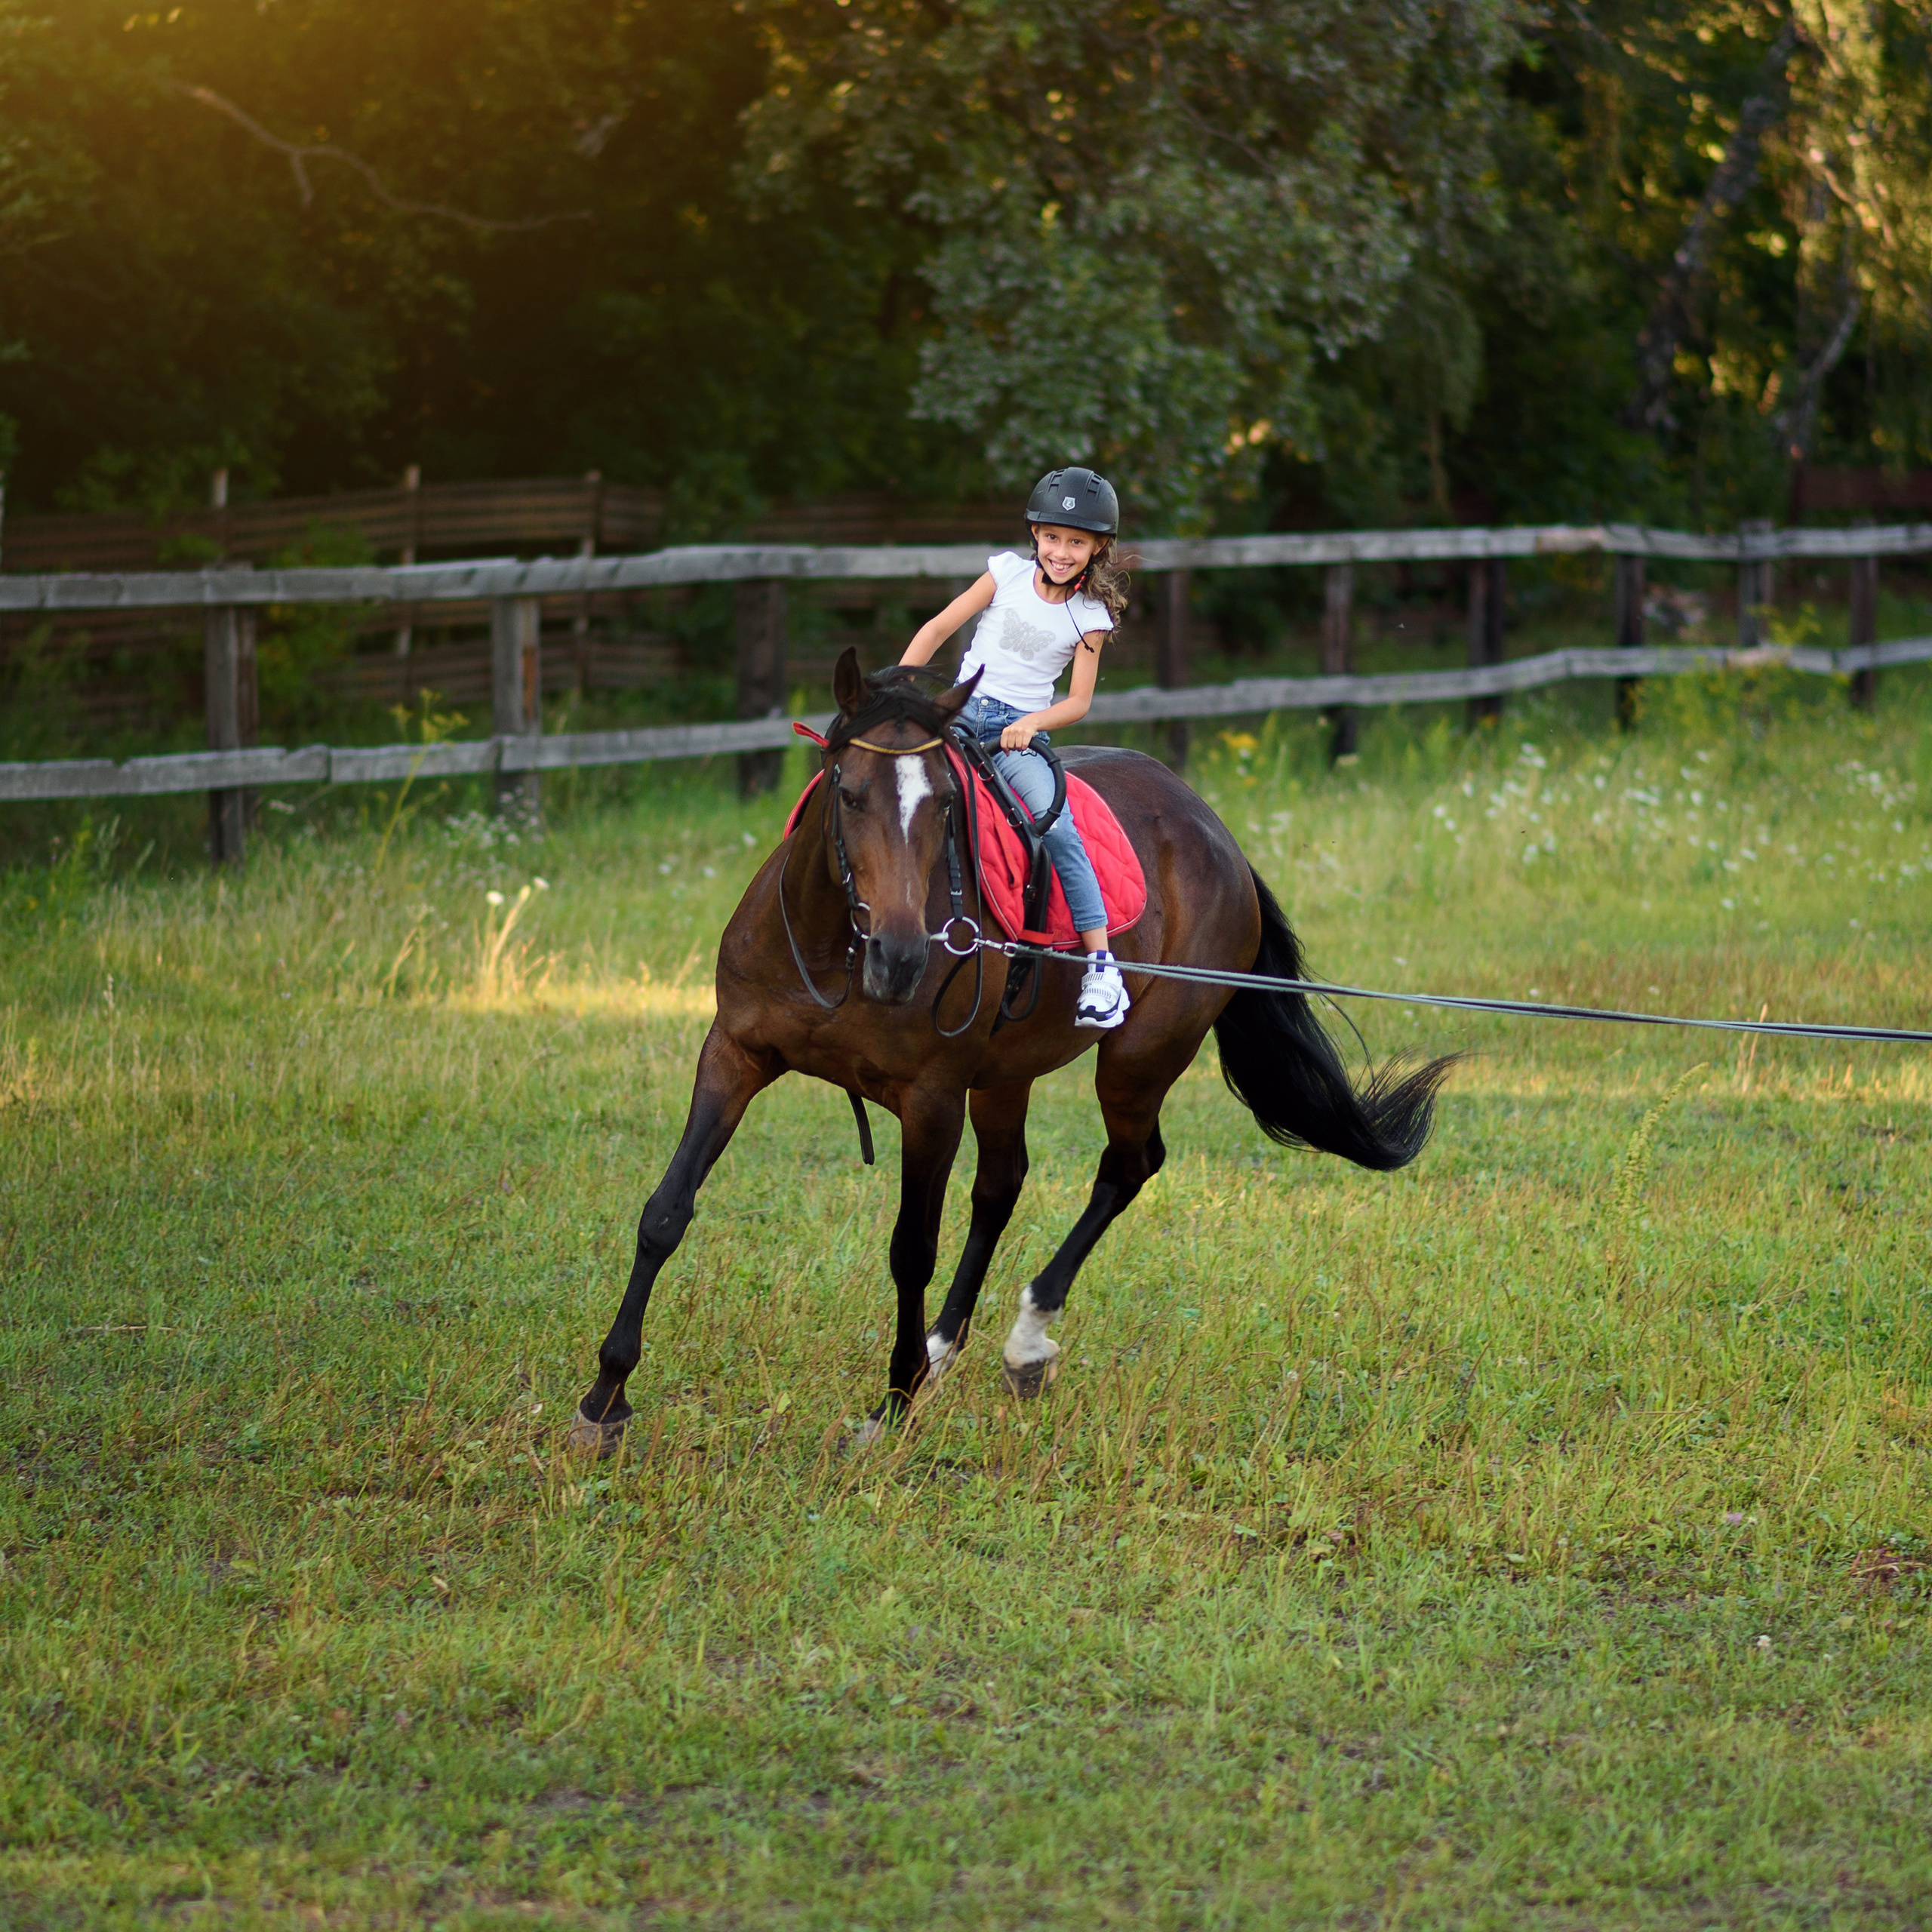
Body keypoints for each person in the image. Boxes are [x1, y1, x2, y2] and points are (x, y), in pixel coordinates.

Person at [900, 466, 1131, 1029]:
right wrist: (903, 690)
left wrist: (1031, 724)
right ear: (1035, 535)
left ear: (1098, 547)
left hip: (1014, 734)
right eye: (1052, 537)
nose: (1061, 551)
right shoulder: (1003, 574)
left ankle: (1102, 966)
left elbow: (1078, 702)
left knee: (1057, 826)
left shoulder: (1090, 616)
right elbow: (936, 629)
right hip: (958, 715)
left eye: (1076, 542)